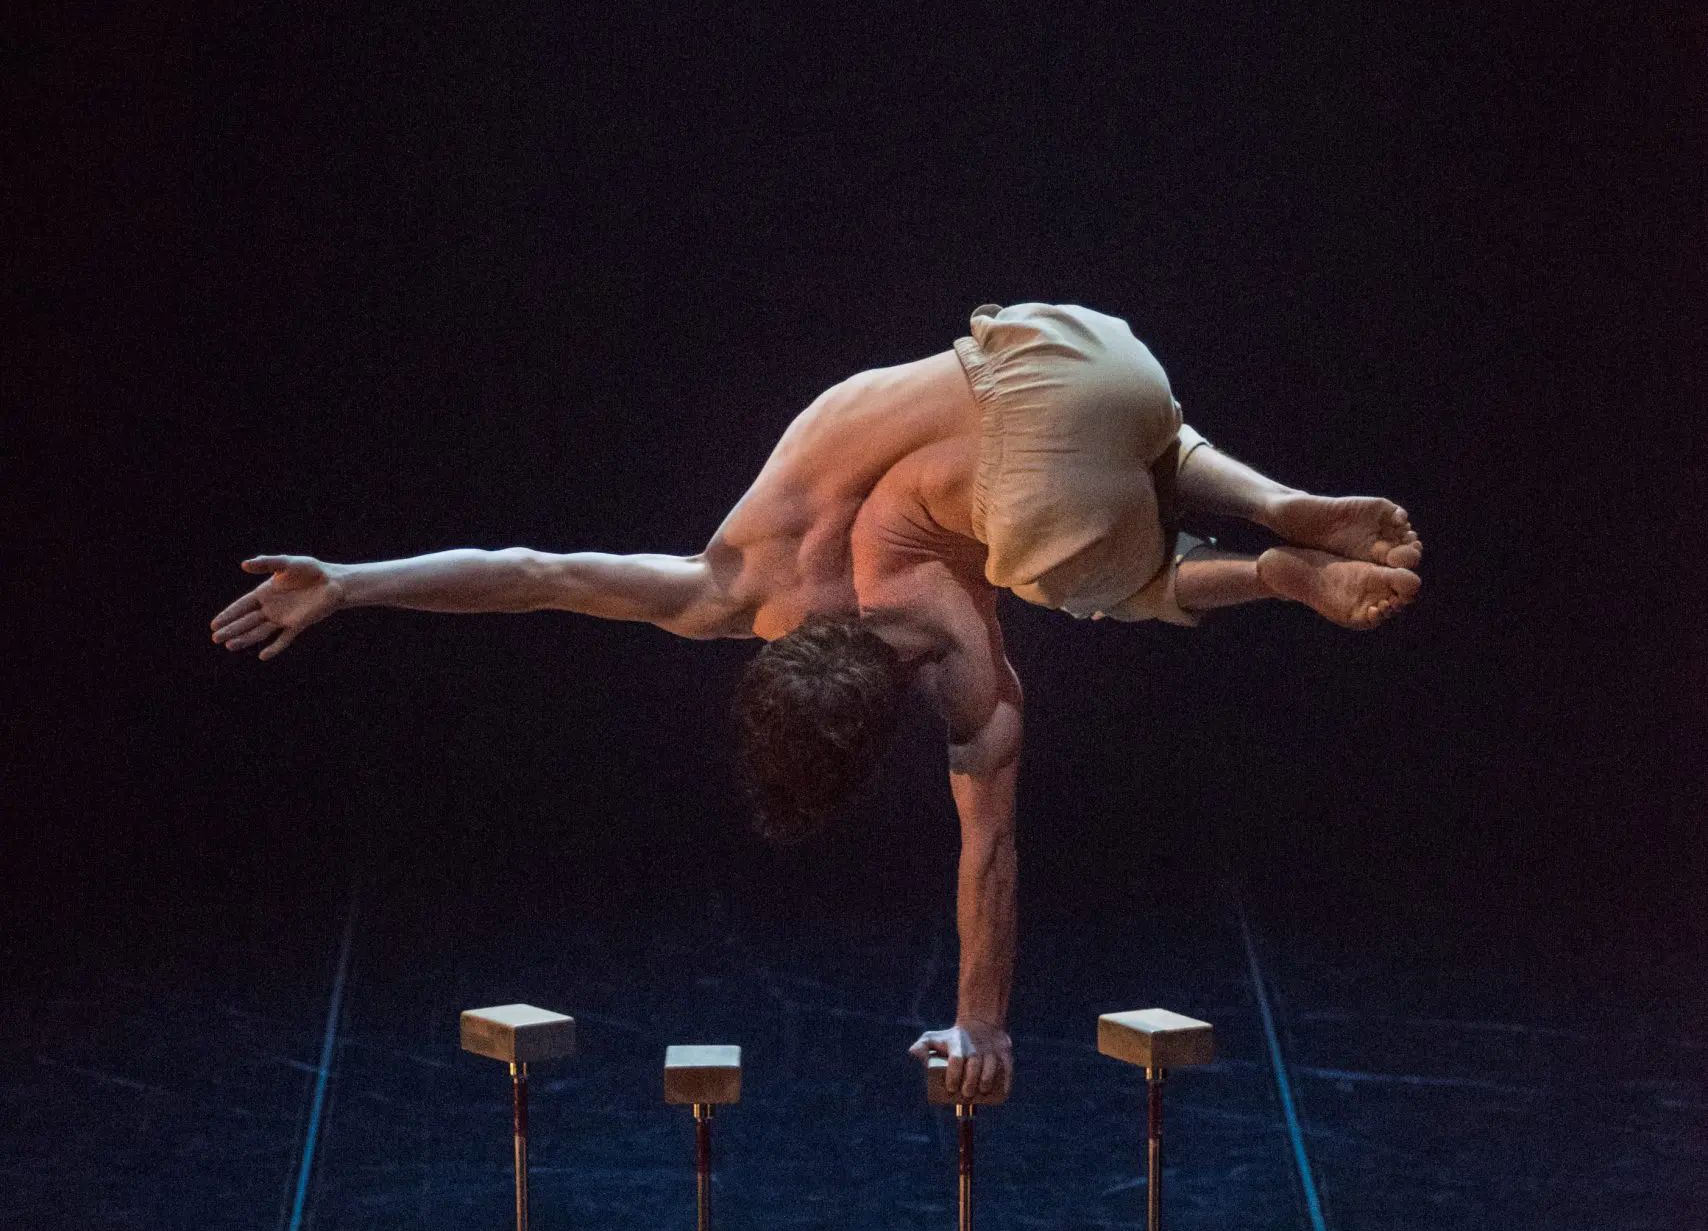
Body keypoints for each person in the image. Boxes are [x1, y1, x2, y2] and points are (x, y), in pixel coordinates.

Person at [212, 301, 1422, 1096]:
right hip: (1076, 353)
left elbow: (988, 849)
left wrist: (982, 1026)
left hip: (1046, 493)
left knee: (1108, 584)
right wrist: (351, 579)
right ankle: (1272, 507)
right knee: (1135, 445)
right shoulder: (727, 583)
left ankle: (1264, 568)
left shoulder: (933, 653)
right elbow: (537, 569)